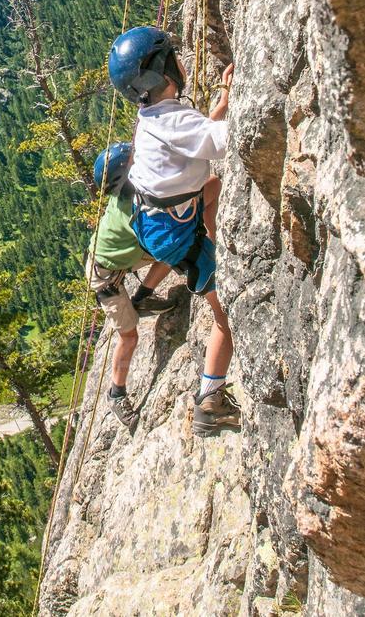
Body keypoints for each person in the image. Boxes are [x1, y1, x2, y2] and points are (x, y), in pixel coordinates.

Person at [108, 26, 240, 438]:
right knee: (225, 318)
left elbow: (195, 137)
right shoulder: (173, 121)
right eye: (175, 57)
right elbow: (223, 140)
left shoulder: (153, 118)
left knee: (212, 187)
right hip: (174, 235)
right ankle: (209, 402)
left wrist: (223, 98)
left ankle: (209, 237)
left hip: (155, 225)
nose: (182, 61)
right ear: (163, 71)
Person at [86, 142, 174, 430]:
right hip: (106, 277)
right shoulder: (132, 208)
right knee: (129, 336)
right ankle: (116, 393)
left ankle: (144, 296)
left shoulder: (128, 192)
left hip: (117, 260)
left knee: (173, 249)